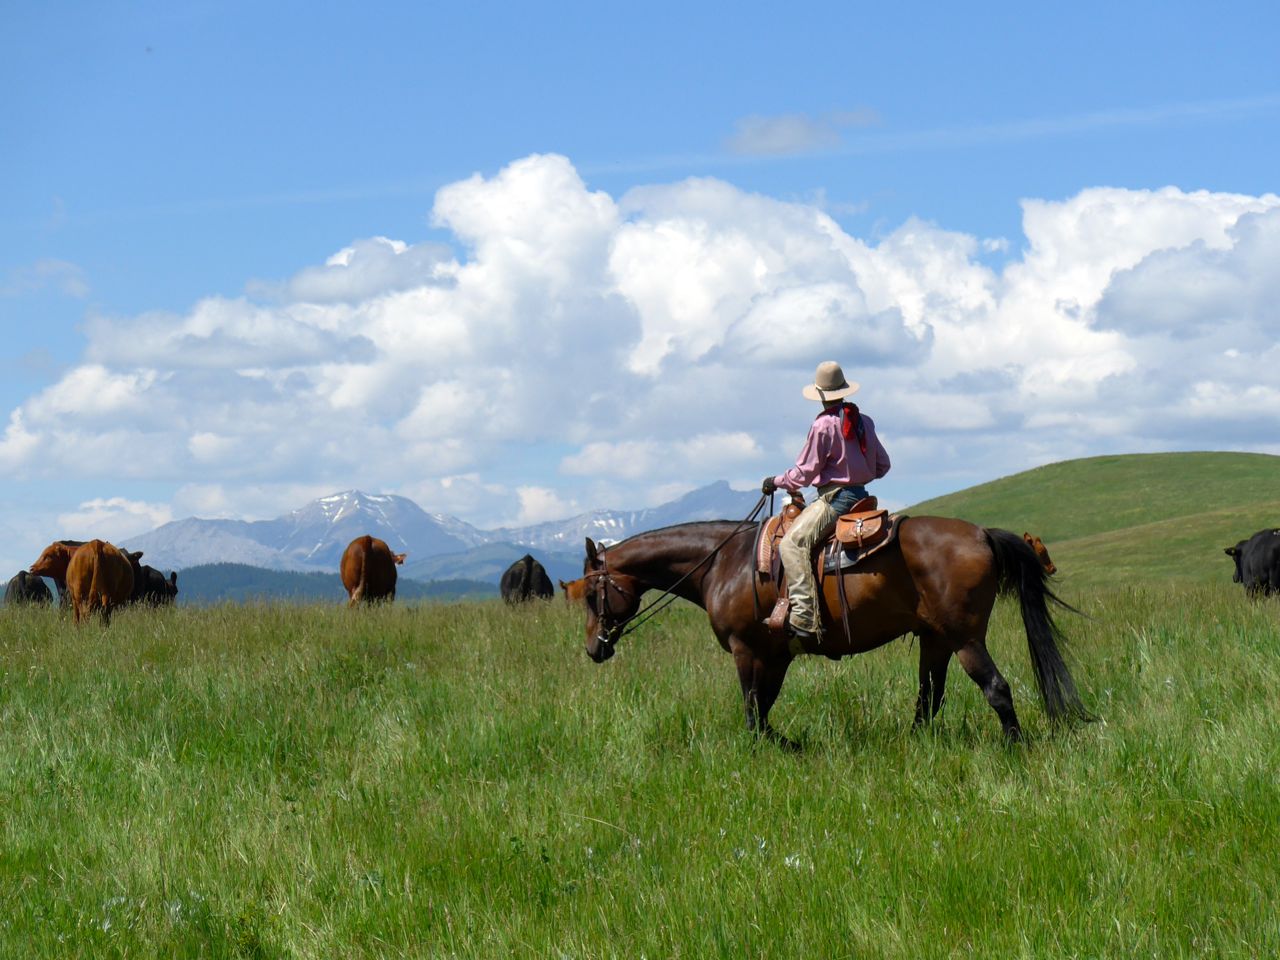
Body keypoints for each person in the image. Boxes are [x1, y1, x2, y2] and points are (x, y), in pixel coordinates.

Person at [762, 360, 891, 643]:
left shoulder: (822, 425)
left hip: (835, 499)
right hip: (862, 497)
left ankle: (805, 618)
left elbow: (804, 473)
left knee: (791, 544)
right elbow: (883, 466)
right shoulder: (864, 421)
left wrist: (776, 481)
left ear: (820, 395)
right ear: (844, 390)